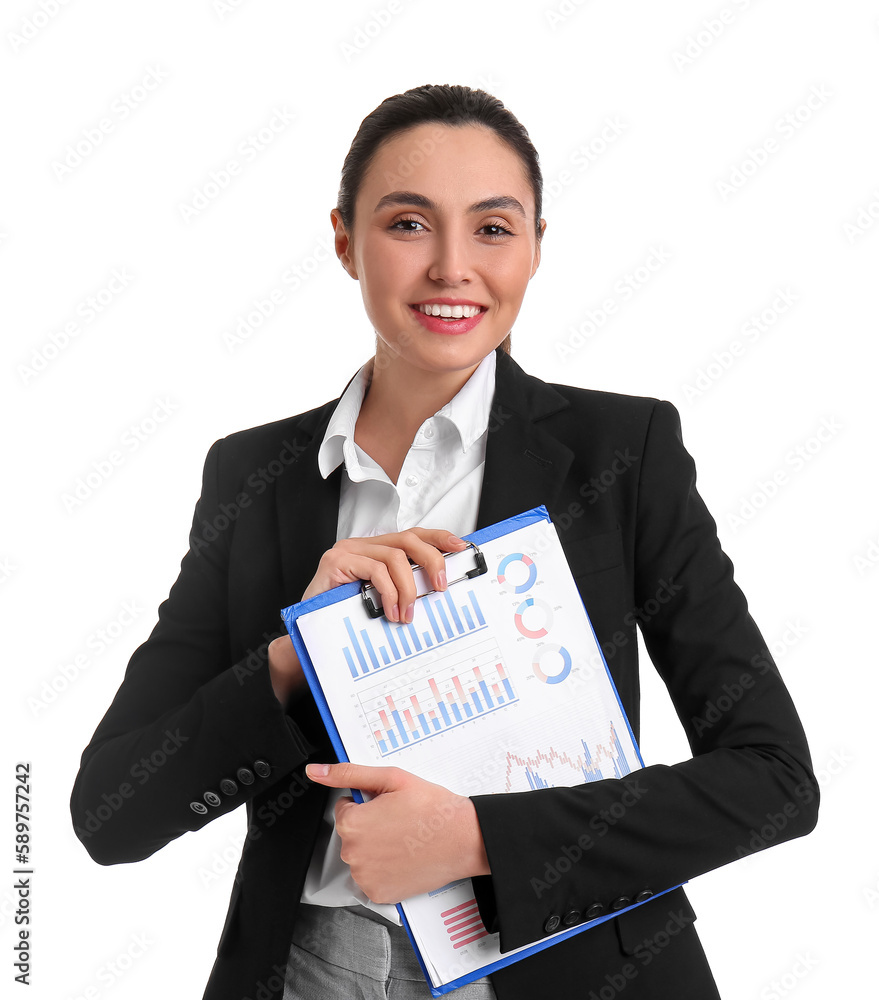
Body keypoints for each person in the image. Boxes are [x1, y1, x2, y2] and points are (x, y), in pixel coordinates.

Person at [70, 84, 819, 1000]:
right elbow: (110, 814)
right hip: (308, 969)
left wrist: (476, 839)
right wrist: (289, 659)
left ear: (538, 246)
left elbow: (772, 779)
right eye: (409, 224)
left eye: (494, 229)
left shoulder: (622, 455)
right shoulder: (253, 475)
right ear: (345, 240)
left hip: (562, 964)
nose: (452, 267)